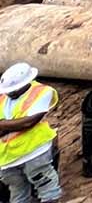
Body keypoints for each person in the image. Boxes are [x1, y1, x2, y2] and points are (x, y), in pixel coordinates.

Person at [0, 63, 60, 203]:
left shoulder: (41, 92)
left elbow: (28, 122)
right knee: (18, 191)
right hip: (7, 159)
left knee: (45, 185)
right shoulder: (2, 98)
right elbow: (23, 123)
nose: (10, 93)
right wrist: (14, 124)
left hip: (34, 152)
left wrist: (2, 124)